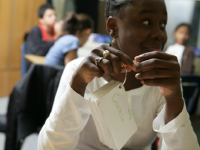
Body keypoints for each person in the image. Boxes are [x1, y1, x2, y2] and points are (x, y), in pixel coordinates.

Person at [38, 0, 200, 150]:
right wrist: (78, 84)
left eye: (163, 24)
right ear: (113, 26)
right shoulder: (79, 72)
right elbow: (49, 147)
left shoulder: (162, 84)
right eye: (146, 22)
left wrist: (174, 97)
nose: (160, 34)